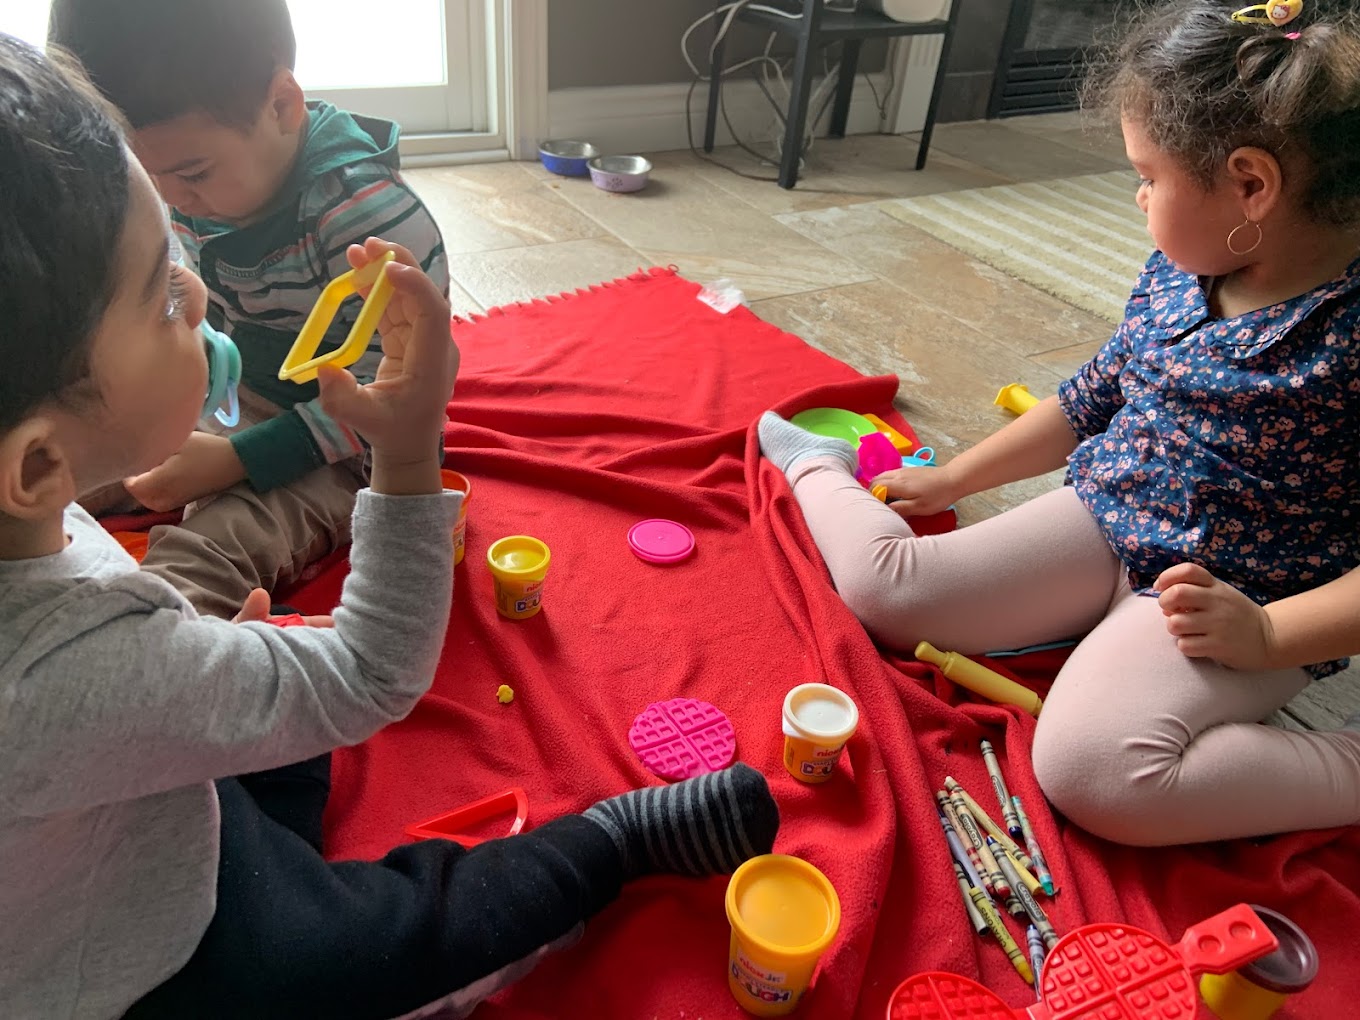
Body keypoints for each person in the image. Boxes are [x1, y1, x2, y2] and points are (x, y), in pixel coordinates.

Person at [0, 37, 780, 1020]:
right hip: (157, 953)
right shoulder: (74, 676)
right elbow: (373, 673)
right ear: (36, 465)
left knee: (263, 671)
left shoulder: (38, 520)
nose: (195, 294)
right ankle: (607, 844)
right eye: (162, 294)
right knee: (381, 951)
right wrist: (409, 453)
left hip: (135, 796)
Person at [757, 0, 1360, 846]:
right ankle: (813, 462)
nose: (1138, 197)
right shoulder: (1187, 267)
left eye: (1148, 177)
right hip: (1112, 512)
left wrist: (1265, 635)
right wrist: (953, 478)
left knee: (1092, 771)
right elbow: (1089, 400)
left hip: (1237, 596)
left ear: (1250, 186)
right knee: (886, 590)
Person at [48, 0, 451, 619]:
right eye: (141, 176)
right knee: (62, 461)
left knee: (210, 547)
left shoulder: (365, 218)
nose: (169, 200)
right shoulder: (185, 178)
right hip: (240, 391)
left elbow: (391, 402)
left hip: (348, 446)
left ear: (283, 106)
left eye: (191, 174)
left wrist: (241, 458)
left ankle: (151, 659)